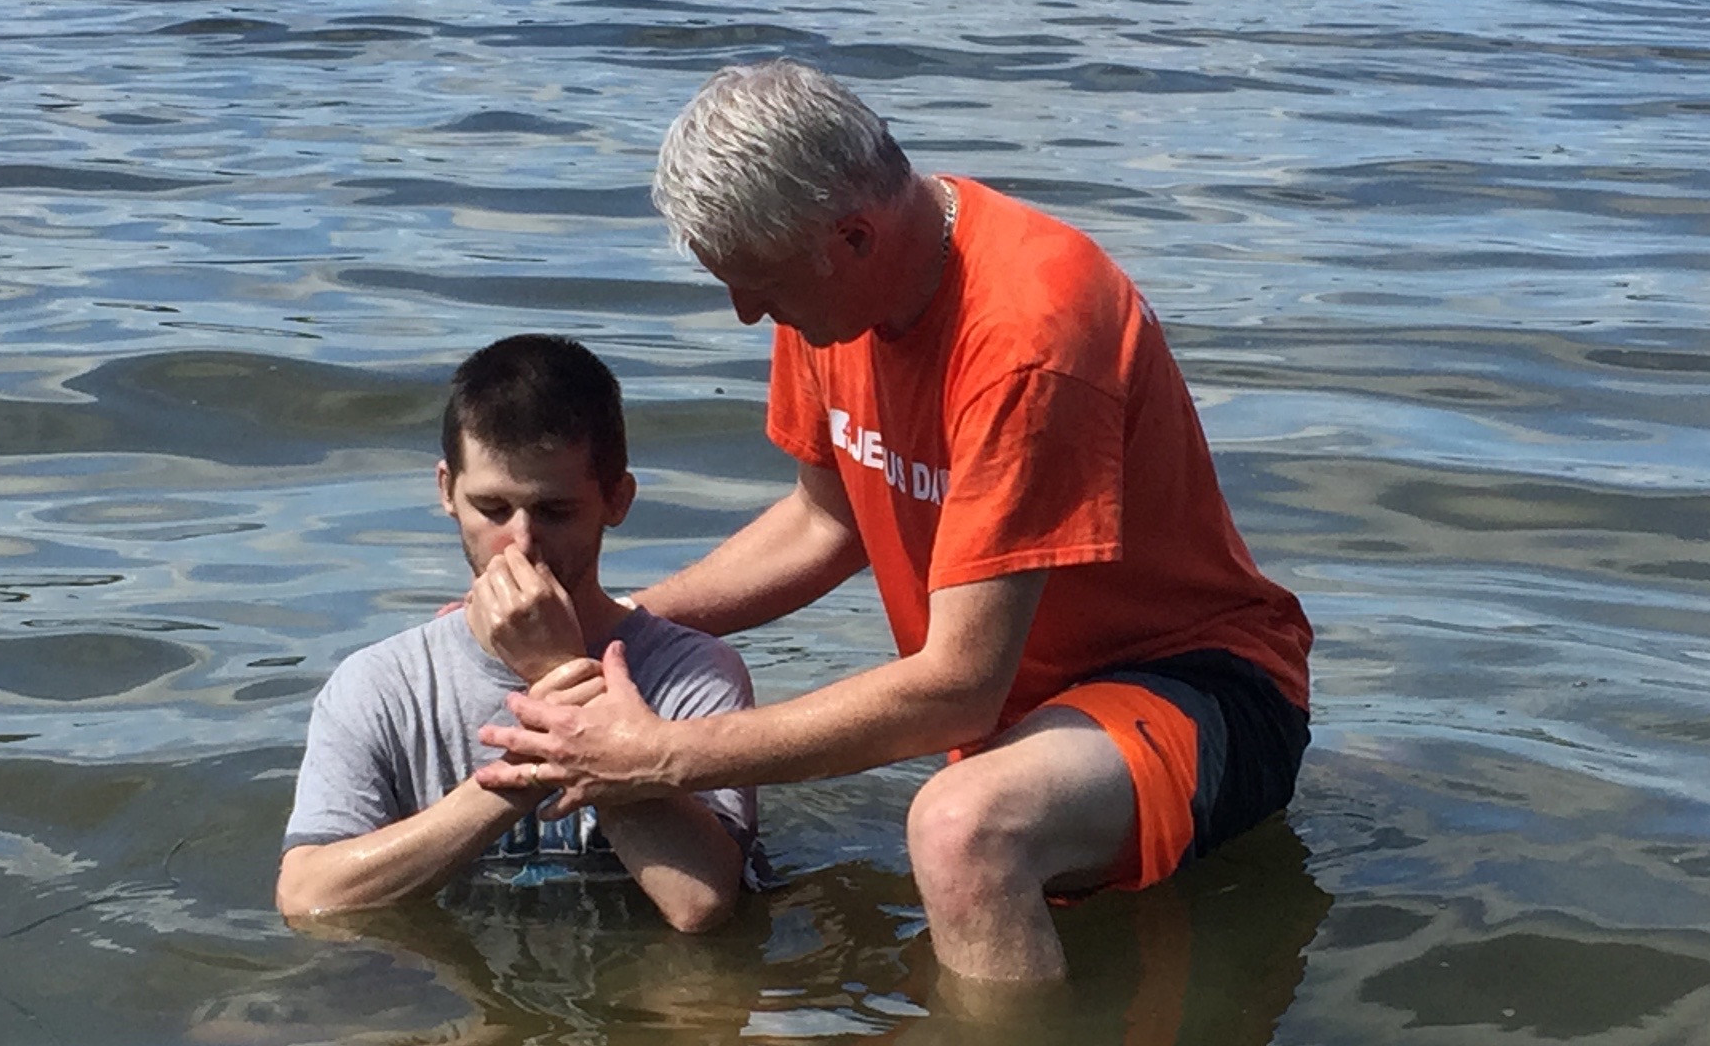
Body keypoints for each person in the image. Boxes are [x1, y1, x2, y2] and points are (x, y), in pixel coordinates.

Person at [488, 59, 1312, 982]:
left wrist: (665, 756)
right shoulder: (831, 304)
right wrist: (613, 623)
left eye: (758, 283)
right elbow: (824, 523)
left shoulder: (1028, 337)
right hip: (1028, 720)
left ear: (852, 237)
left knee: (963, 830)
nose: (747, 314)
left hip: (1202, 690)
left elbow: (957, 689)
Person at [275, 333, 760, 932]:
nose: (522, 543)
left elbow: (701, 903)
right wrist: (514, 780)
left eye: (555, 511)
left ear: (617, 499)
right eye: (492, 509)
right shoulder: (379, 683)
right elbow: (308, 895)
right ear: (447, 491)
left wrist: (558, 676)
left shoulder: (694, 675)